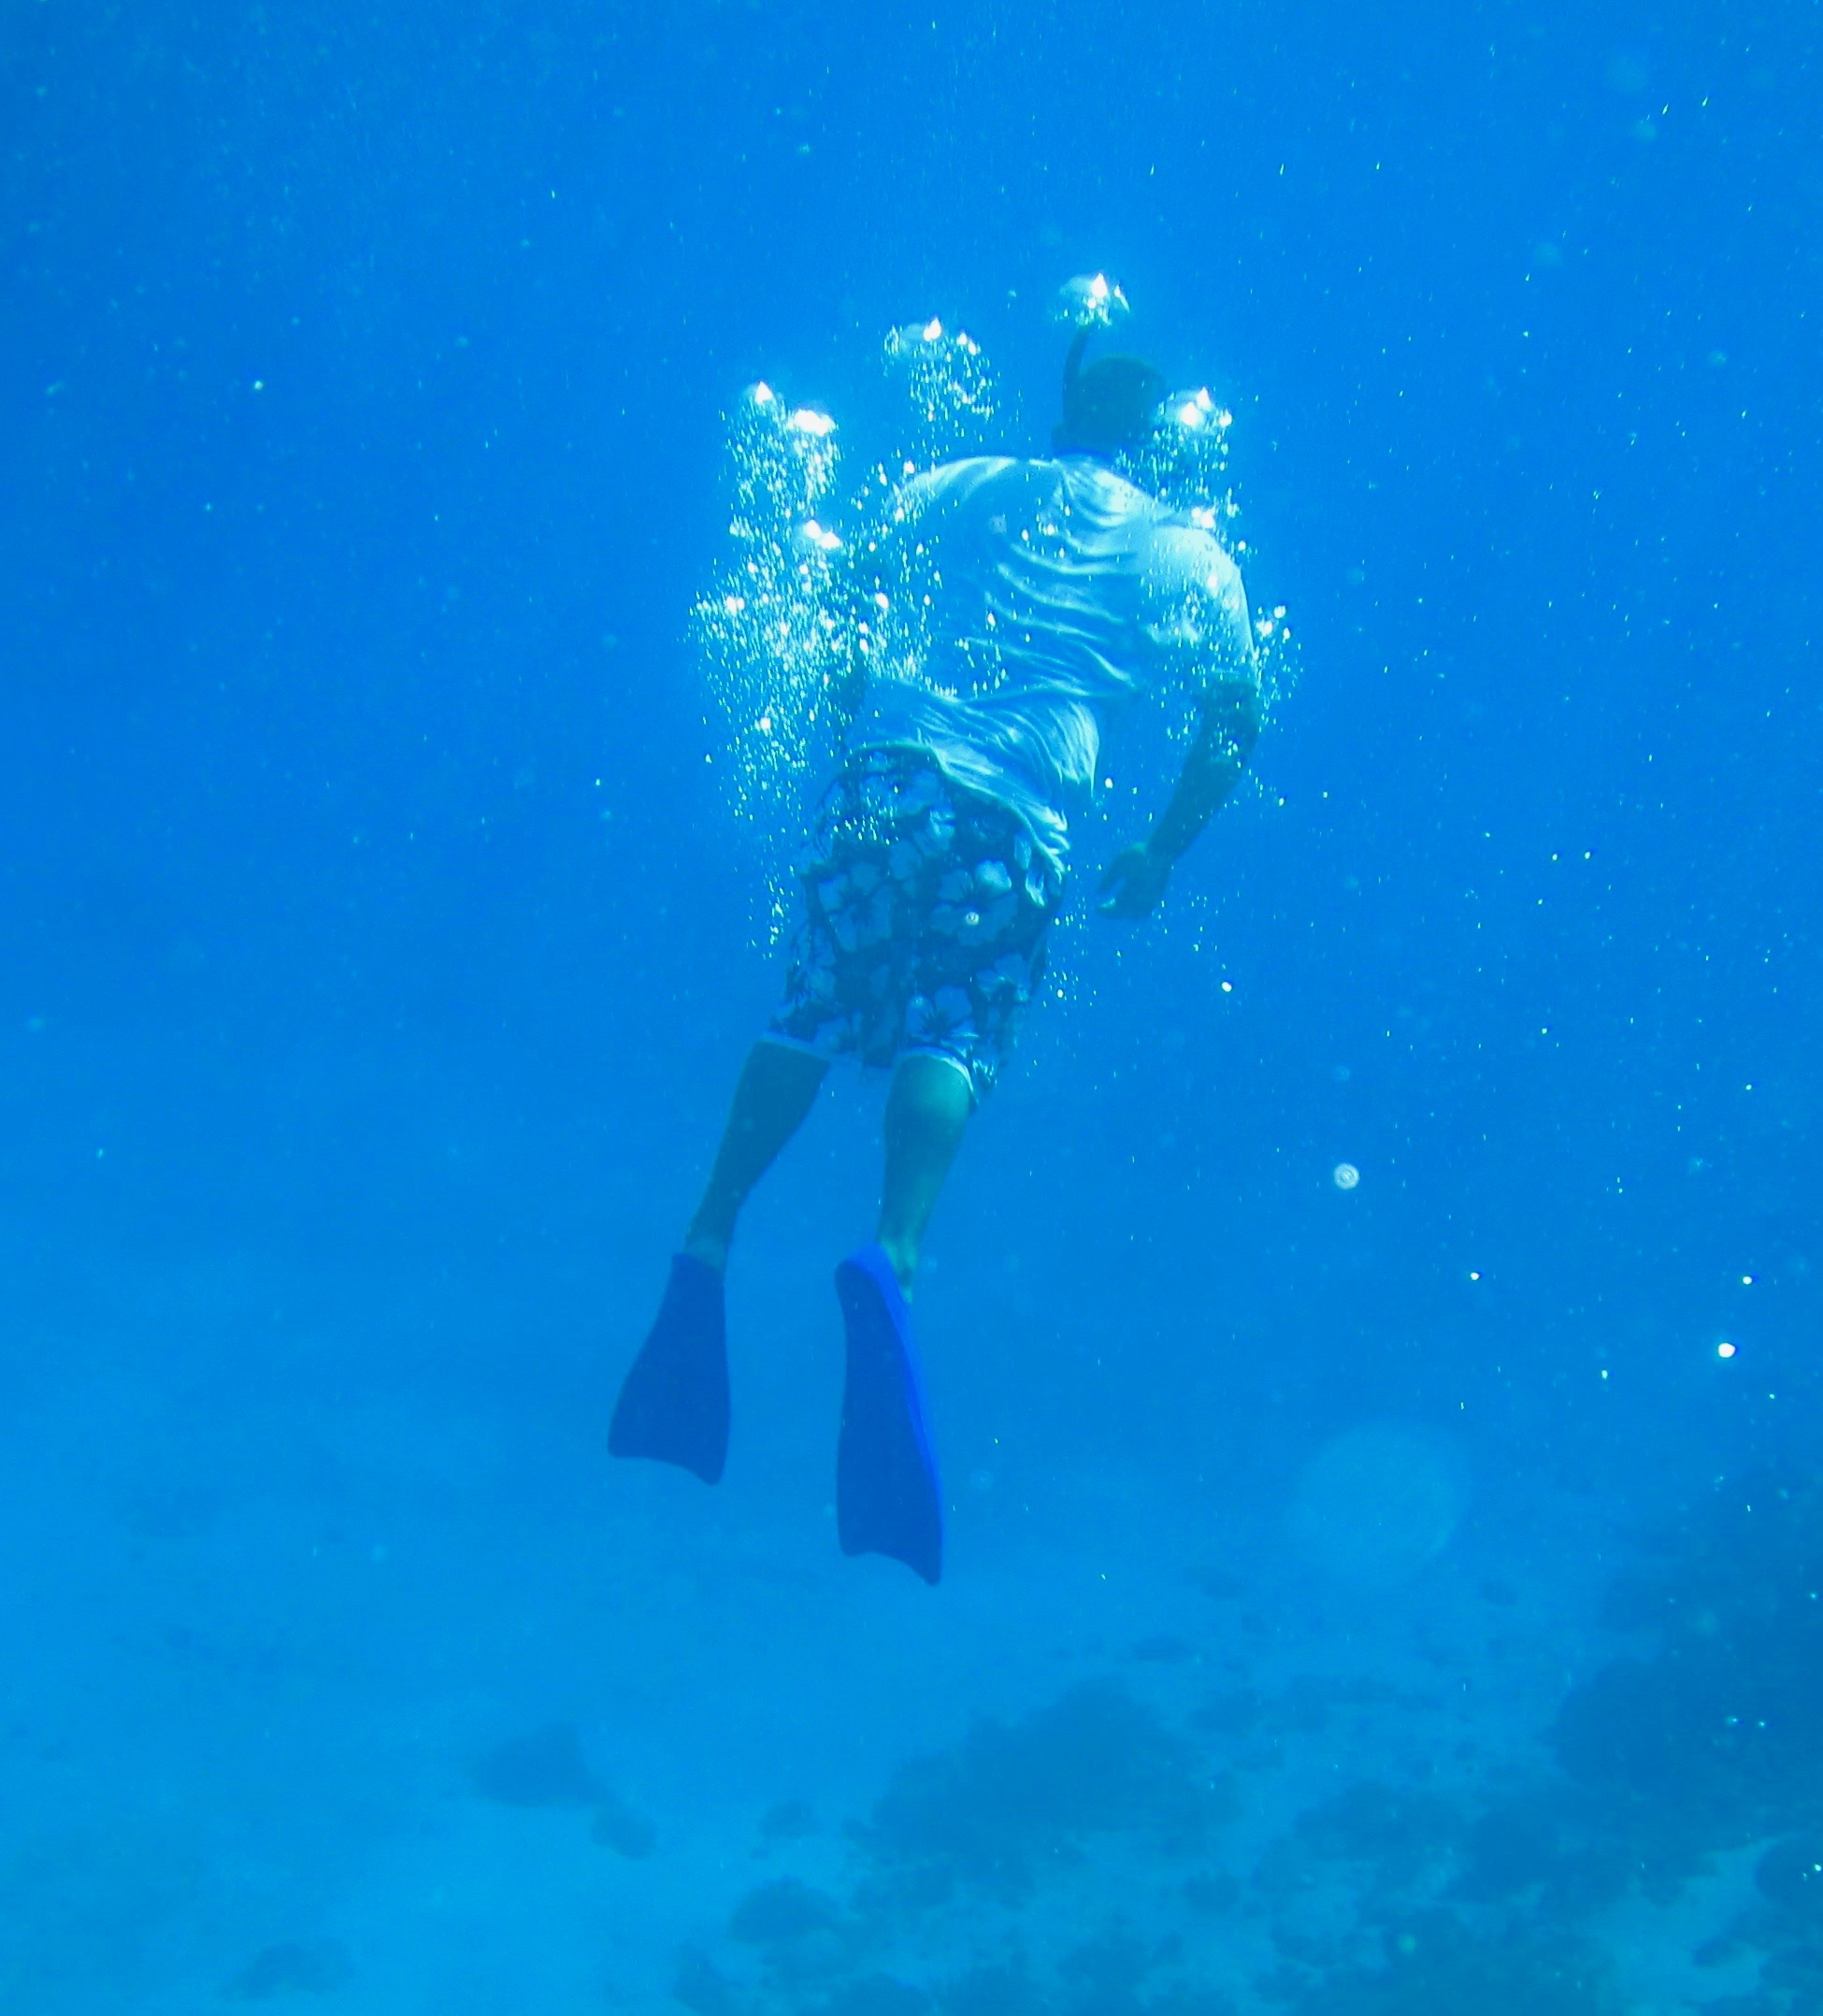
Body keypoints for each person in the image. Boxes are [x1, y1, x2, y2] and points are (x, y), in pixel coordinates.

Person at [610, 324, 1262, 1586]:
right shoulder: (1192, 553)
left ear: (1063, 401)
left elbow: (843, 594)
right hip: (1016, 811)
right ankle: (891, 1248)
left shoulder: (952, 481)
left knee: (809, 1003)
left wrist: (854, 711)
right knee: (952, 1030)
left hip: (889, 775)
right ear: (1161, 427)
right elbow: (1236, 715)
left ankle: (707, 1230)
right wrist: (1163, 849)